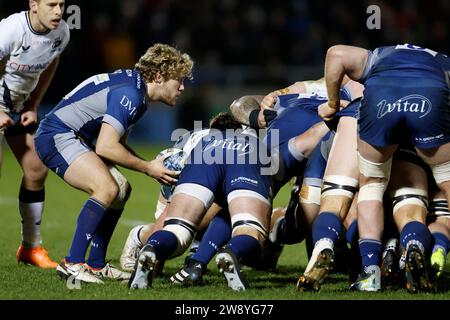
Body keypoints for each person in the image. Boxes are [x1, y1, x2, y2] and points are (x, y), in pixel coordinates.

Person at [34, 43, 193, 283]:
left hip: (75, 137)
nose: (182, 87)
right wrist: (148, 167)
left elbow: (112, 147)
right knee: (107, 188)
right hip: (56, 135)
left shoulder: (135, 89)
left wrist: (147, 164)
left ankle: (96, 264)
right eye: (178, 80)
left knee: (120, 189)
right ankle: (72, 263)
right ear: (159, 76)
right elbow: (106, 147)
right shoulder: (131, 94)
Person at [319, 44, 450, 293]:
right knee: (446, 181)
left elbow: (335, 53)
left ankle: (370, 274)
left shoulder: (379, 55)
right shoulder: (443, 61)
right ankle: (419, 247)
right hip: (429, 97)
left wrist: (332, 104)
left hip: (382, 98)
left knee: (371, 187)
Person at [128, 113, 273, 291]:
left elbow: (167, 202)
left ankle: (152, 247)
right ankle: (231, 251)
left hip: (202, 156)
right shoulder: (257, 139)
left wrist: (156, 263)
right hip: (245, 155)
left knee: (177, 230)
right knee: (251, 230)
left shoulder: (192, 139)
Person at [0, 0, 70, 269]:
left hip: (17, 108)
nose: (58, 11)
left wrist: (33, 104)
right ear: (33, 5)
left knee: (36, 170)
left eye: (62, 5)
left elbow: (53, 61)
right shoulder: (10, 30)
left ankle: (30, 248)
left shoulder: (61, 32)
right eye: (51, 4)